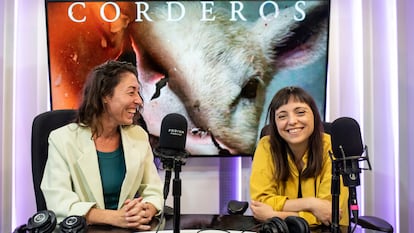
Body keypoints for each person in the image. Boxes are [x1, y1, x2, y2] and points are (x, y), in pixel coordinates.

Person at [41, 60, 164, 230]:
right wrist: (115, 217)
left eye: (138, 92)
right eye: (131, 92)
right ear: (105, 96)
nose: (139, 101)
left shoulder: (138, 136)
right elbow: (59, 202)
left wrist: (146, 210)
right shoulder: (62, 139)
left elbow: (153, 189)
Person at [249, 86, 349, 227]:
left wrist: (274, 215)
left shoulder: (333, 147)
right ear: (275, 123)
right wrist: (312, 204)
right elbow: (261, 201)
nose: (292, 121)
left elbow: (329, 213)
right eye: (282, 116)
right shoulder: (266, 146)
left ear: (314, 115)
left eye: (300, 113)